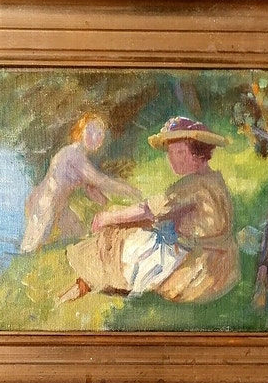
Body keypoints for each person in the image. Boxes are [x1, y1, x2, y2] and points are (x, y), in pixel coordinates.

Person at [60, 116, 240, 303]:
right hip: (221, 259)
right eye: (170, 152)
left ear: (198, 153)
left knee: (123, 236)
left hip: (202, 264)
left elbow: (148, 209)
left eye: (179, 152)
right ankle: (91, 282)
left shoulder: (193, 185)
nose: (172, 158)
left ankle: (88, 282)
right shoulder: (212, 179)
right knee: (136, 229)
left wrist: (108, 217)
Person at [20, 112, 141, 253]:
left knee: (79, 234)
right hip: (44, 204)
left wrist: (108, 205)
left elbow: (91, 188)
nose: (95, 136)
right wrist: (130, 190)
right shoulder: (74, 154)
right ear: (80, 132)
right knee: (30, 249)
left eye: (99, 133)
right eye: (90, 131)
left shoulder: (79, 155)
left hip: (60, 206)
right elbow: (101, 181)